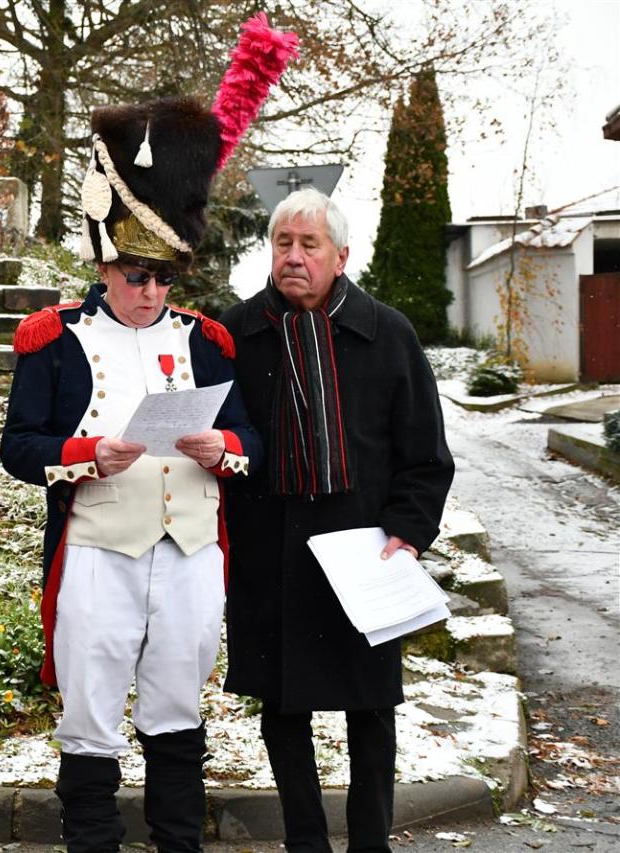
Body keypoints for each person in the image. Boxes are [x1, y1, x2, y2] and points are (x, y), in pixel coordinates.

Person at [0, 93, 272, 851]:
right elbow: (18, 446)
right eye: (135, 274)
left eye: (163, 277)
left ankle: (178, 843)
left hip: (191, 552)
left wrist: (224, 448)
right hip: (99, 551)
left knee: (178, 711)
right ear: (104, 264)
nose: (150, 291)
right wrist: (86, 455)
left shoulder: (208, 342)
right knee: (90, 716)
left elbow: (252, 438)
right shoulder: (53, 340)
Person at [220, 187, 455, 852]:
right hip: (272, 555)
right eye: (283, 244)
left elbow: (425, 453)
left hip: (363, 554)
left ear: (341, 256)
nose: (293, 257)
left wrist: (408, 532)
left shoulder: (387, 333)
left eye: (309, 244)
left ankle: (370, 842)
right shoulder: (236, 334)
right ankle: (306, 842)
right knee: (281, 708)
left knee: (371, 710)